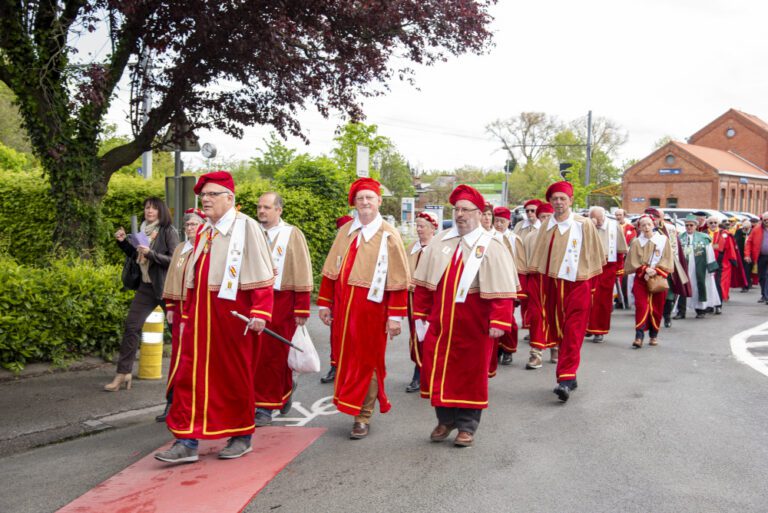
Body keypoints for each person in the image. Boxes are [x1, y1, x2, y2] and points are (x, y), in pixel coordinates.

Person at [155, 171, 275, 464]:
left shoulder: (247, 228)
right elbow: (194, 275)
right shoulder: (206, 230)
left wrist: (260, 311)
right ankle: (187, 439)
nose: (205, 200)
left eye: (211, 195)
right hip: (200, 316)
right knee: (189, 375)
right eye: (203, 195)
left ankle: (241, 435)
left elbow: (262, 273)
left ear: (229, 198)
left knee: (233, 377)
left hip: (234, 319)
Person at [412, 185, 519, 447]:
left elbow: (503, 290)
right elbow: (426, 283)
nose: (460, 214)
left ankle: (467, 426)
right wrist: (421, 314)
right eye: (456, 209)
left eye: (465, 210)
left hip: (474, 323)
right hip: (441, 321)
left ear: (479, 214)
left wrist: (499, 320)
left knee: (470, 374)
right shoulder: (441, 241)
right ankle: (445, 420)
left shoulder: (492, 246)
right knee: (440, 370)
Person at [317, 178, 410, 440]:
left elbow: (398, 280)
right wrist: (324, 302)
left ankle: (363, 415)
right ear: (354, 203)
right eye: (360, 199)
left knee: (367, 362)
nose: (365, 202)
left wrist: (394, 316)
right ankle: (350, 404)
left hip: (372, 311)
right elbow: (330, 273)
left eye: (370, 197)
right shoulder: (345, 231)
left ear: (379, 201)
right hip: (343, 310)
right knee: (345, 360)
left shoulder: (389, 234)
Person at [527, 182, 605, 401]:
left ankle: (565, 378)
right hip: (552, 284)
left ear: (570, 201)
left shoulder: (583, 225)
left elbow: (595, 256)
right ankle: (570, 374)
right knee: (559, 329)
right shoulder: (547, 226)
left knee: (573, 330)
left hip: (578, 283)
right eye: (555, 199)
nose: (559, 203)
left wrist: (592, 285)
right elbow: (540, 257)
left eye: (563, 198)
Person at [106, 197, 179, 392]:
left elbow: (174, 260)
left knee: (178, 333)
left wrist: (151, 254)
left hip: (165, 288)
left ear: (161, 211)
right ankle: (123, 374)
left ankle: (184, 376)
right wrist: (123, 244)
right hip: (146, 288)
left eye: (154, 208)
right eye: (147, 208)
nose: (149, 211)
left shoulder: (168, 231)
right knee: (131, 327)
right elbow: (137, 256)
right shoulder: (142, 231)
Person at [252, 192, 313, 426]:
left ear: (279, 210)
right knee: (256, 355)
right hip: (255, 299)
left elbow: (302, 269)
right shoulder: (252, 232)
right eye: (259, 207)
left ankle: (266, 407)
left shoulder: (291, 234)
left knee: (275, 355)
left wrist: (302, 308)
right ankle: (265, 397)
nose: (261, 211)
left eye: (267, 207)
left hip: (282, 301)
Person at [157, 208, 206, 422]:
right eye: (187, 225)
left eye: (194, 224)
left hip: (199, 311)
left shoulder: (206, 249)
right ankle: (172, 401)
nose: (190, 228)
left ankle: (197, 404)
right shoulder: (180, 249)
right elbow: (172, 279)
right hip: (179, 311)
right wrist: (169, 306)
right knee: (178, 357)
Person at [625, 215, 673, 348]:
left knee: (657, 308)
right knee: (641, 306)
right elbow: (632, 262)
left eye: (648, 225)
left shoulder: (663, 240)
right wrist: (645, 269)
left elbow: (667, 259)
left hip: (658, 279)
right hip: (641, 280)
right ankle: (639, 336)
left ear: (653, 225)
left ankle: (653, 335)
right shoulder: (636, 242)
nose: (646, 228)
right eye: (643, 225)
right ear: (639, 227)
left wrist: (656, 270)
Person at [405, 211, 438, 393]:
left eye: (422, 226)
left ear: (433, 228)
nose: (418, 229)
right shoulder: (411, 248)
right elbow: (402, 270)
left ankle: (431, 373)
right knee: (416, 336)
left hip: (432, 300)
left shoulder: (439, 248)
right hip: (412, 299)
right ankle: (418, 372)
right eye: (417, 225)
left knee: (431, 335)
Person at [321, 214, 355, 384]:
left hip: (356, 302)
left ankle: (350, 370)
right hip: (338, 301)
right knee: (335, 335)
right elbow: (328, 276)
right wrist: (324, 303)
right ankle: (335, 367)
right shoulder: (336, 250)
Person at [585, 206, 628, 343]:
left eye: (598, 219)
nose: (597, 222)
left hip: (607, 268)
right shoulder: (586, 226)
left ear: (604, 217)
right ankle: (587, 327)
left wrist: (618, 271)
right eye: (594, 219)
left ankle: (599, 330)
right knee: (587, 298)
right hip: (589, 267)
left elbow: (620, 251)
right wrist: (590, 226)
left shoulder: (614, 226)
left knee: (602, 301)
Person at [490, 206, 525, 368]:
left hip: (509, 284)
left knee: (508, 319)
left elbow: (519, 265)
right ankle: (495, 349)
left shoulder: (514, 239)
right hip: (491, 284)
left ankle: (508, 349)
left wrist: (519, 290)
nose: (499, 225)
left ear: (508, 222)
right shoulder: (488, 237)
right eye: (496, 221)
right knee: (491, 320)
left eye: (502, 222)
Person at [644, 208, 690, 328]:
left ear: (661, 218)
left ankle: (667, 316)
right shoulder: (644, 228)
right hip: (649, 266)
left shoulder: (670, 229)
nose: (653, 220)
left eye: (656, 217)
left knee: (667, 292)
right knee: (649, 291)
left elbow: (675, 248)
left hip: (665, 265)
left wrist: (670, 266)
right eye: (651, 217)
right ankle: (650, 317)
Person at [524, 203, 556, 369]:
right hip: (536, 280)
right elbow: (523, 262)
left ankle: (555, 347)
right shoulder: (530, 237)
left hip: (555, 280)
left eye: (548, 217)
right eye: (542, 217)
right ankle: (536, 353)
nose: (545, 220)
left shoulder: (561, 235)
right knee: (536, 317)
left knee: (555, 315)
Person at [677, 215, 720, 319]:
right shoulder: (680, 238)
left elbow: (710, 253)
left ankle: (700, 310)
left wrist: (711, 268)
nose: (689, 227)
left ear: (696, 226)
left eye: (691, 225)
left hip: (699, 268)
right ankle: (681, 312)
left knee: (699, 287)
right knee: (683, 288)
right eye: (687, 225)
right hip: (684, 268)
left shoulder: (703, 237)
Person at [706, 216, 740, 309]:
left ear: (718, 224)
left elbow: (730, 247)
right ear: (707, 224)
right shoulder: (704, 234)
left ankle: (718, 305)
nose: (713, 224)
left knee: (718, 284)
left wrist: (733, 259)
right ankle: (709, 305)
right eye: (711, 223)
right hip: (706, 262)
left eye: (715, 222)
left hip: (720, 263)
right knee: (708, 284)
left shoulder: (724, 234)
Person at [614, 209, 636, 310]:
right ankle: (617, 299)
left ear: (624, 215)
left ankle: (625, 300)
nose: (618, 217)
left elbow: (632, 242)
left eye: (620, 215)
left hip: (625, 258)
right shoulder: (613, 226)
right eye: (617, 215)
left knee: (625, 280)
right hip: (614, 257)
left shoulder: (630, 228)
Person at [744, 212, 768, 303]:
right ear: (762, 220)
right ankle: (764, 295)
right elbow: (749, 242)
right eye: (765, 220)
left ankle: (766, 296)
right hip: (761, 256)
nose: (767, 222)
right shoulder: (756, 230)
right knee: (762, 276)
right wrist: (747, 255)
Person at [734, 220, 752, 292]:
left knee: (748, 270)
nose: (745, 229)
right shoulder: (739, 231)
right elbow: (735, 240)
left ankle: (747, 284)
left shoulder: (752, 232)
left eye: (747, 228)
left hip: (750, 254)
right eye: (744, 228)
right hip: (740, 253)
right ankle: (744, 285)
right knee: (743, 270)